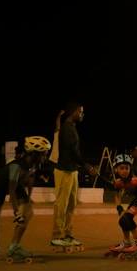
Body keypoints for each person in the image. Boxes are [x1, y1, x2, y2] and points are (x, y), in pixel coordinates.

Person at [0, 137, 50, 260]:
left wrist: (28, 198)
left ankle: (14, 246)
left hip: (17, 184)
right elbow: (11, 190)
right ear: (33, 154)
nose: (45, 157)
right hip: (1, 185)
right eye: (43, 154)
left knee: (28, 211)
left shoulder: (36, 164)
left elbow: (30, 179)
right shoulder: (17, 166)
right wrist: (16, 212)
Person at [51, 101, 98, 248]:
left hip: (72, 171)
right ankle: (56, 235)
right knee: (62, 204)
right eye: (80, 111)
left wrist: (82, 166)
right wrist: (87, 166)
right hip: (64, 171)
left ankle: (68, 234)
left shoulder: (71, 127)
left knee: (71, 204)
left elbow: (75, 152)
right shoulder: (66, 128)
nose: (82, 114)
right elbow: (71, 150)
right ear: (73, 112)